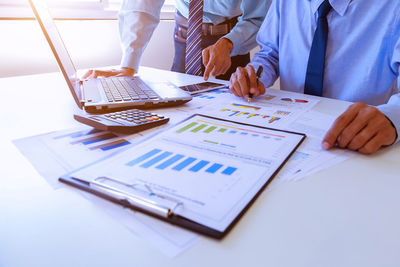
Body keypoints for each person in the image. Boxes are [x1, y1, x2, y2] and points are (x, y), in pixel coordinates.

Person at [229, 0, 400, 155]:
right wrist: (254, 75)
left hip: (355, 143)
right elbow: (270, 53)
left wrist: (391, 119)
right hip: (291, 135)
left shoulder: (393, 7)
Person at [83, 0, 271, 81]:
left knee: (232, 120)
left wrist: (230, 43)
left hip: (232, 44)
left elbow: (258, 17)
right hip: (186, 37)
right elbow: (142, 4)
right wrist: (129, 64)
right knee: (180, 113)